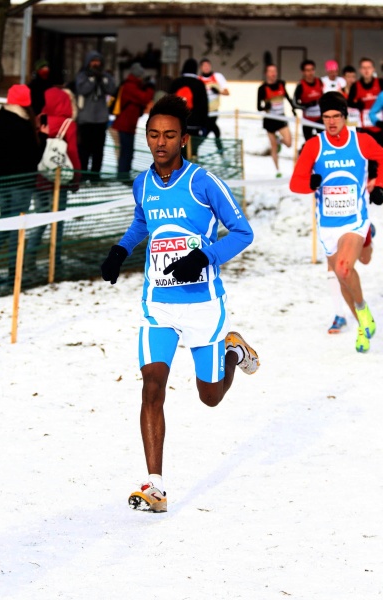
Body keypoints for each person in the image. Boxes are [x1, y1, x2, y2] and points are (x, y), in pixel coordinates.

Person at [101, 94, 260, 512]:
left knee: (210, 396)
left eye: (169, 135)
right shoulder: (143, 183)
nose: (161, 142)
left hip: (204, 305)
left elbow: (243, 232)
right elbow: (142, 222)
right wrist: (120, 249)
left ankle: (232, 351)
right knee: (152, 387)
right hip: (158, 305)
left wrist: (205, 256)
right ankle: (154, 485)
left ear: (184, 139)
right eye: (154, 134)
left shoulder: (204, 182)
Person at [290, 92, 383, 352]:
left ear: (345, 116)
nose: (331, 122)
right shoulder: (314, 145)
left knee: (344, 268)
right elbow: (295, 183)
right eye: (326, 117)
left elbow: (382, 156)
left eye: (336, 117)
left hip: (354, 219)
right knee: (343, 280)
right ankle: (363, 327)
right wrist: (310, 183)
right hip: (328, 225)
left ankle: (362, 310)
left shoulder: (361, 140)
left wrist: (379, 185)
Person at [0, 84, 42, 284]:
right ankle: (12, 272)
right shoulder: (23, 124)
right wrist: (42, 136)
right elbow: (33, 156)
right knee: (17, 225)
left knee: (6, 222)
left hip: (2, 180)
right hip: (21, 181)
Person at [26, 87, 81, 275]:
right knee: (57, 223)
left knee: (40, 219)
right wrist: (76, 178)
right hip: (59, 181)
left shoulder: (39, 119)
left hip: (39, 178)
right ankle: (55, 263)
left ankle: (29, 260)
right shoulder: (68, 124)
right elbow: (72, 153)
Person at [110, 62, 154, 182]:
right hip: (124, 125)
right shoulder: (130, 86)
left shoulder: (133, 85)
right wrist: (150, 88)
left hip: (128, 125)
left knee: (128, 152)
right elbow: (144, 98)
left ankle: (124, 175)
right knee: (126, 153)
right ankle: (123, 176)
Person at [75, 50, 115, 179]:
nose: (96, 64)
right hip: (86, 120)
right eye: (93, 61)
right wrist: (92, 80)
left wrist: (102, 79)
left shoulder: (105, 76)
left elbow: (111, 89)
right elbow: (82, 89)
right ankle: (83, 174)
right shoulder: (82, 76)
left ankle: (95, 176)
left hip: (100, 120)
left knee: (98, 150)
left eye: (98, 61)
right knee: (84, 150)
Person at [257, 64, 295, 177]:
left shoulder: (281, 84)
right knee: (273, 147)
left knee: (289, 143)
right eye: (271, 71)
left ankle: (280, 141)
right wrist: (266, 107)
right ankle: (277, 170)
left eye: (275, 71)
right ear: (266, 73)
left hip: (281, 118)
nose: (273, 74)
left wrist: (293, 109)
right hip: (269, 120)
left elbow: (287, 97)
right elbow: (258, 107)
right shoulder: (262, 88)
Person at [169, 58, 208, 159]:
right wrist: (204, 124)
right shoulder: (199, 84)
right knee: (192, 154)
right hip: (194, 125)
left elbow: (168, 104)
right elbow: (204, 106)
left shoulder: (175, 83)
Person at [198, 57, 230, 155]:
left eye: (208, 65)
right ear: (201, 68)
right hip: (202, 112)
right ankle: (220, 150)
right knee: (214, 130)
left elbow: (227, 92)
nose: (206, 67)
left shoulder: (217, 76)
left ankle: (195, 148)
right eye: (204, 66)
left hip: (214, 111)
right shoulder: (198, 80)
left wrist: (218, 92)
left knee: (210, 128)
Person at [347, 57, 383, 138]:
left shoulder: (380, 83)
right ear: (360, 70)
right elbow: (349, 104)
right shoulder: (355, 86)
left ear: (373, 69)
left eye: (369, 67)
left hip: (380, 127)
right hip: (364, 128)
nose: (366, 70)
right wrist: (357, 105)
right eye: (364, 68)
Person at [293, 59, 324, 141]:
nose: (310, 73)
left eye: (312, 70)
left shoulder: (319, 81)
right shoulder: (300, 85)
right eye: (307, 70)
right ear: (303, 72)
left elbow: (323, 97)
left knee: (323, 141)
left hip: (320, 119)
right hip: (307, 120)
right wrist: (307, 105)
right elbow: (294, 104)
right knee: (309, 142)